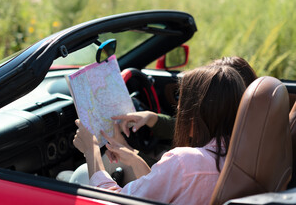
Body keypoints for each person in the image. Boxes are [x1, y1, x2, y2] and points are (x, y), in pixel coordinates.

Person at [73, 65, 246, 204]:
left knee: (74, 177)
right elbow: (160, 193)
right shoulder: (245, 155)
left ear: (194, 116)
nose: (178, 110)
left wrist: (92, 151)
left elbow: (114, 201)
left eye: (182, 103)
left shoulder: (184, 163)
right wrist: (135, 160)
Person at [113, 56, 257, 143]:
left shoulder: (206, 153)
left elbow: (159, 181)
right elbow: (189, 130)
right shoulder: (243, 129)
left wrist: (126, 151)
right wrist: (152, 118)